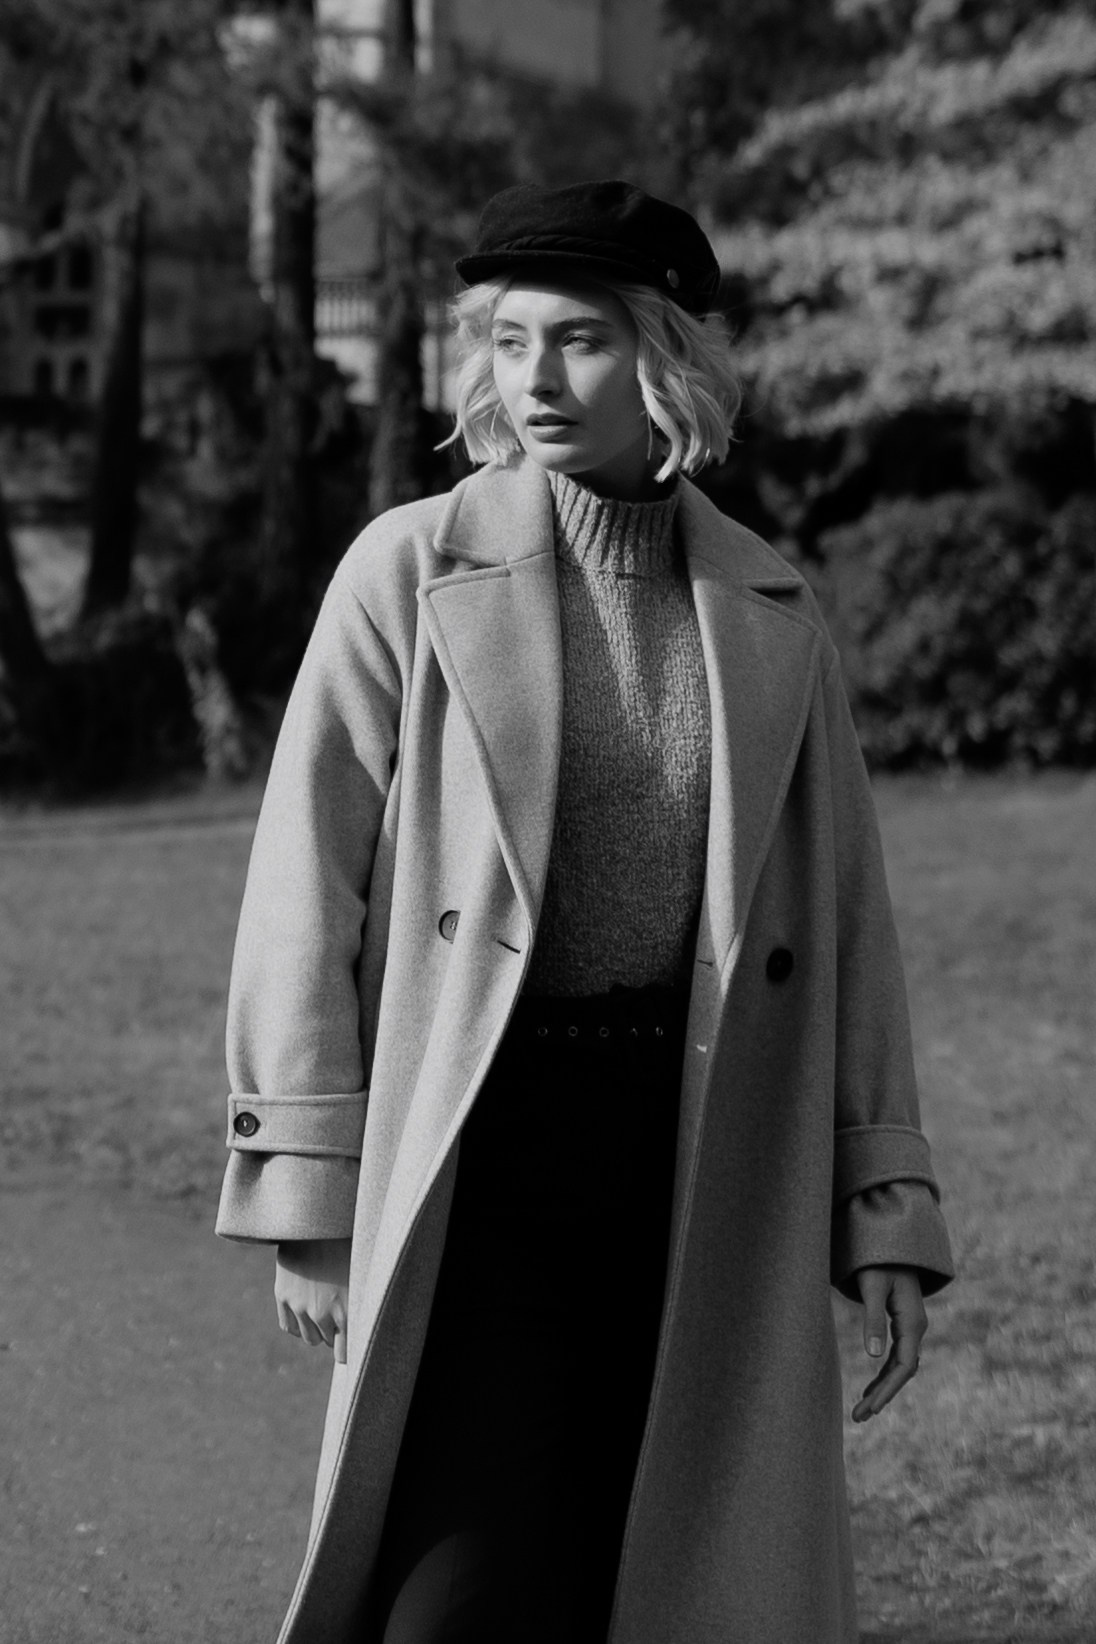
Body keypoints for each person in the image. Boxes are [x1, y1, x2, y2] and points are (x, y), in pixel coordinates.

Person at [215, 179, 955, 1644]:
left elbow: (847, 923)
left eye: (581, 343)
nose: (533, 379)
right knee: (459, 1597)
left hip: (698, 1159)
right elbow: (305, 880)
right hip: (475, 1153)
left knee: (669, 1577)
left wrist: (882, 1203)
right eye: (506, 341)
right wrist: (307, 1183)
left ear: (666, 361)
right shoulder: (409, 571)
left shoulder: (768, 608)